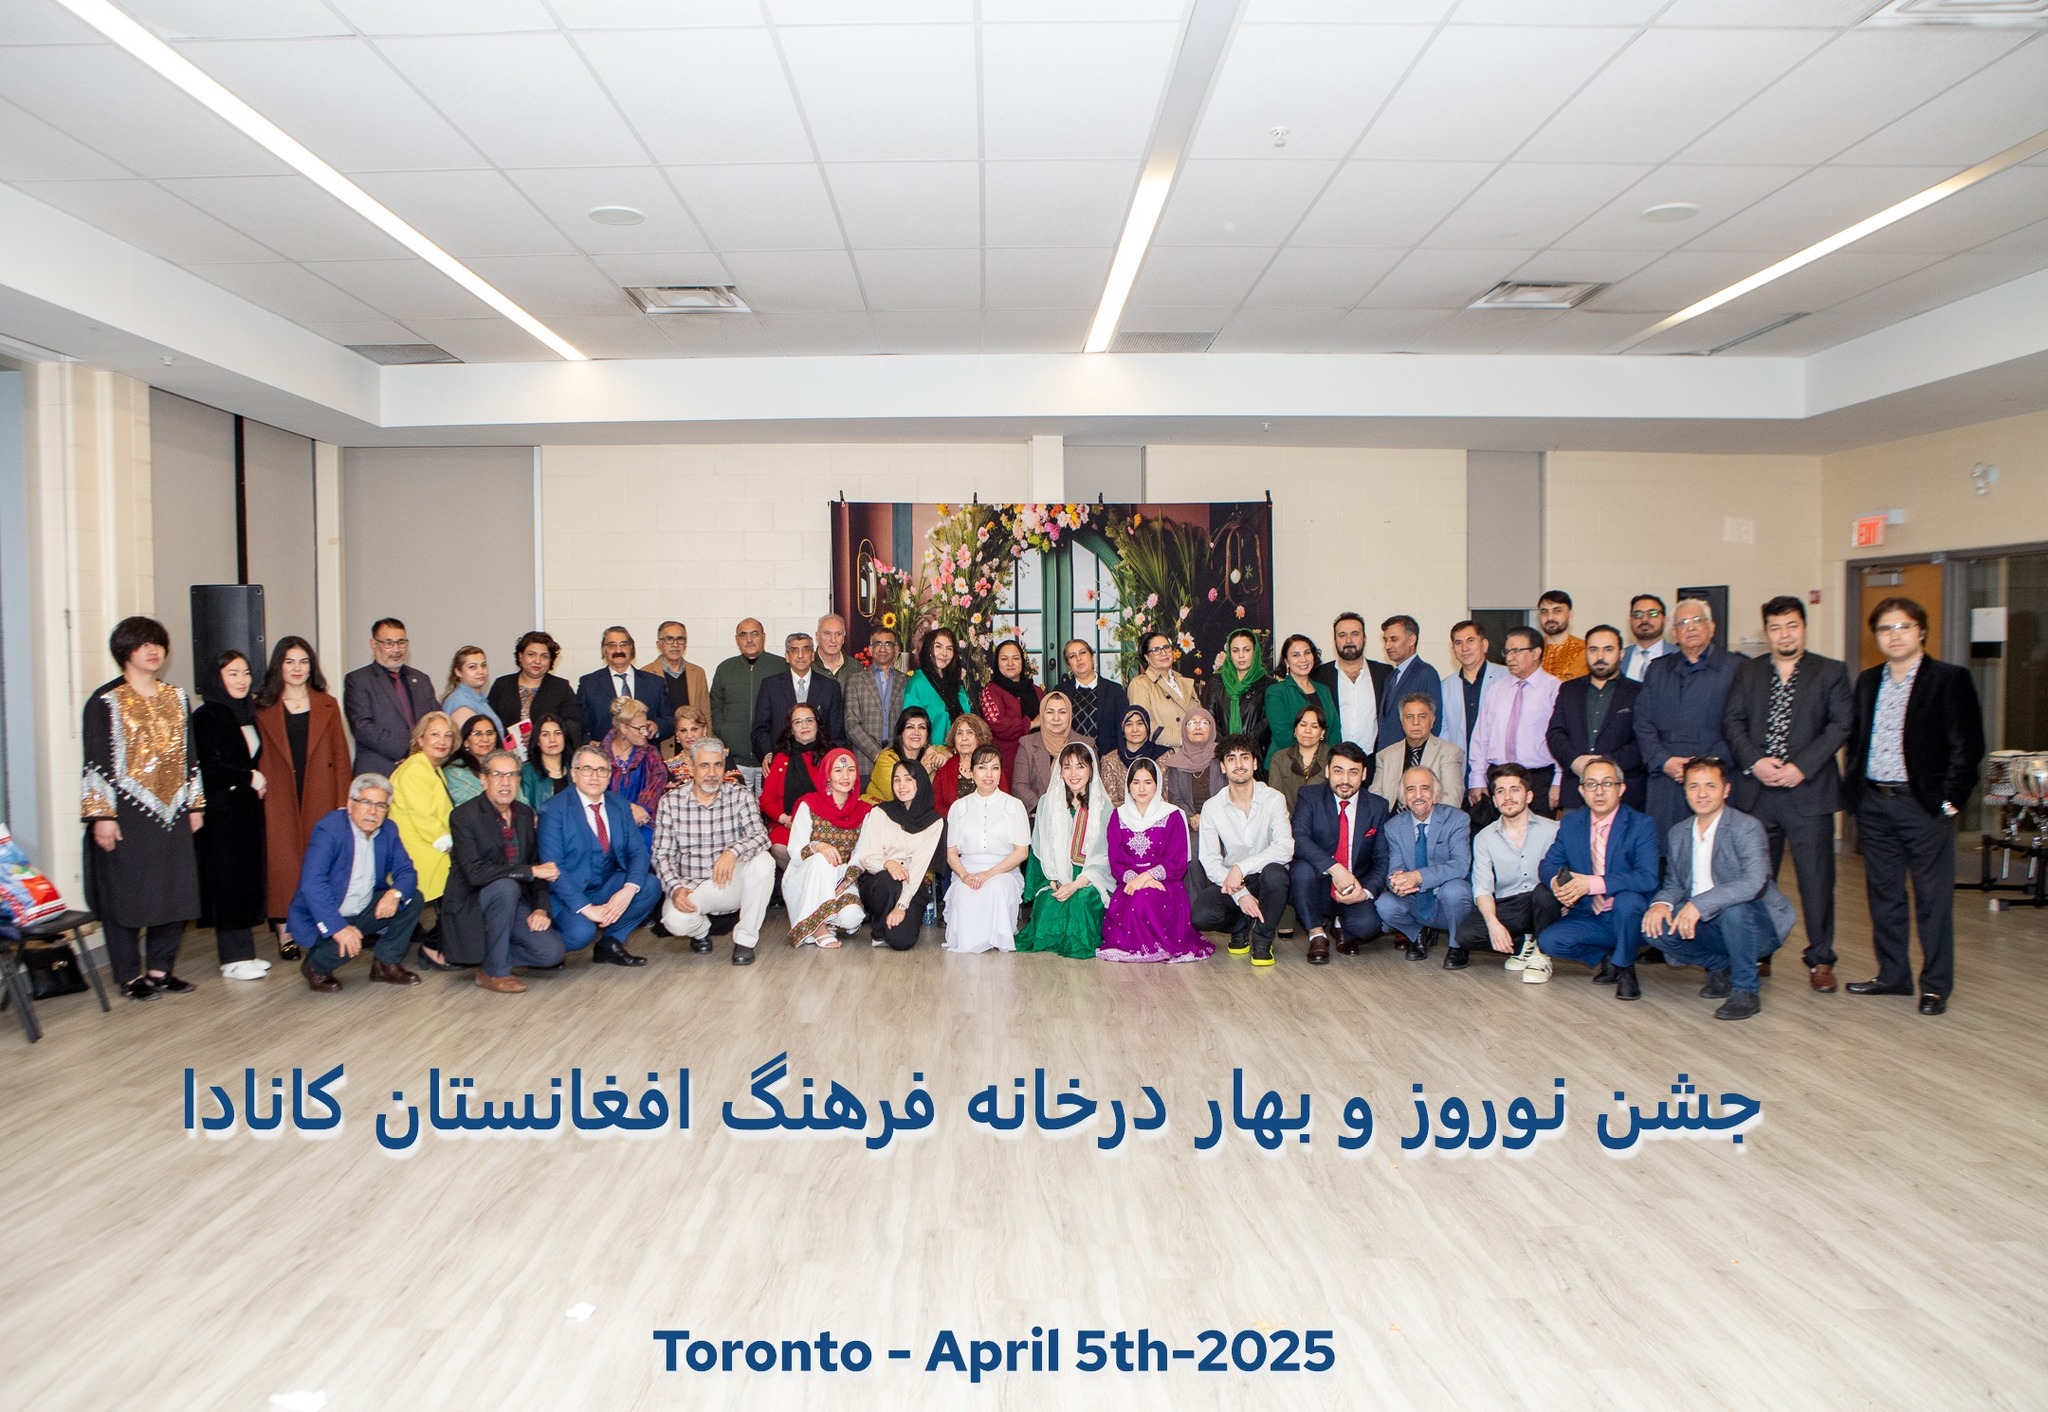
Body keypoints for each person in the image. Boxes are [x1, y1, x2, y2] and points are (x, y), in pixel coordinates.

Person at [1842, 596, 1984, 1016]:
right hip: (1874, 802)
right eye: (1885, 628)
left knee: (1932, 899)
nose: (1895, 635)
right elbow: (1858, 740)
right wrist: (1856, 794)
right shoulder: (1868, 681)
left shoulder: (1949, 679)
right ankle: (1893, 975)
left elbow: (1968, 746)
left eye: (1903, 626)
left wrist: (1952, 800)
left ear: (1921, 631)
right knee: (1884, 895)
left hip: (1923, 805)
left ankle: (1935, 986)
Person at [1722, 595, 1854, 992]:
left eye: (1792, 626)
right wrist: (1755, 762)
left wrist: (1801, 767)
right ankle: (1760, 950)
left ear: (1804, 628)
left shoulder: (1830, 671)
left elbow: (1840, 724)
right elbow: (1732, 722)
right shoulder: (1748, 671)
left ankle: (1821, 960)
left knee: (1817, 881)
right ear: (1767, 632)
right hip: (1758, 792)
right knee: (1757, 879)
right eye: (1776, 628)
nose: (1784, 635)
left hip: (1808, 792)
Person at [1642, 757, 1798, 1021]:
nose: (1701, 794)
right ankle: (1721, 966)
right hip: (1705, 923)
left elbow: (1755, 882)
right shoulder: (1679, 833)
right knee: (1652, 927)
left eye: (1710, 786)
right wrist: (1660, 904)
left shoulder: (1746, 827)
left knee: (1734, 910)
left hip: (1757, 925)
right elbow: (1675, 884)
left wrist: (1699, 904)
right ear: (1685, 790)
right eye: (1693, 786)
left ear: (1726, 790)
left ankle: (1746, 990)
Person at [254, 636, 351, 963]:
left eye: (303, 662)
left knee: (318, 860)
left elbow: (341, 755)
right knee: (282, 863)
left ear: (311, 667)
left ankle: (320, 925)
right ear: (278, 667)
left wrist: (343, 799)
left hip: (320, 791)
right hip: (277, 793)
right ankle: (285, 932)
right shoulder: (262, 706)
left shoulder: (327, 704)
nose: (297, 669)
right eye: (289, 662)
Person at [1527, 757, 1660, 995]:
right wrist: (1558, 883)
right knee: (1549, 941)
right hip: (1590, 914)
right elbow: (1549, 864)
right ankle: (1609, 955)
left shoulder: (1641, 824)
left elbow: (1647, 877)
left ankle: (1625, 968)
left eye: (1607, 783)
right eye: (1591, 784)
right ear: (1581, 790)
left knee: (1628, 901)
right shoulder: (1571, 823)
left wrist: (1592, 884)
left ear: (1621, 788)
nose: (1599, 791)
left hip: (1629, 916)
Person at [286, 773, 426, 993]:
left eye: (380, 805)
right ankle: (315, 967)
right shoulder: (330, 828)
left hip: (363, 909)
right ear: (350, 804)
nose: (373, 811)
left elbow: (406, 871)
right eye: (366, 802)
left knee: (412, 898)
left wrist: (395, 893)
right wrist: (338, 928)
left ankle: (385, 964)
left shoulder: (388, 830)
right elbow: (313, 882)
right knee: (346, 947)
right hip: (328, 914)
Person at [441, 749, 564, 993]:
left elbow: (536, 866)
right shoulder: (464, 816)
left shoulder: (525, 814)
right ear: (483, 779)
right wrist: (529, 871)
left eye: (512, 775)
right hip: (473, 902)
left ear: (519, 780)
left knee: (552, 953)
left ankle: (493, 955)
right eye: (497, 775)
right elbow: (475, 873)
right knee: (505, 887)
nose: (505, 782)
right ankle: (494, 971)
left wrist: (540, 908)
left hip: (513, 900)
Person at [652, 737, 777, 964]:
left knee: (764, 863)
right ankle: (701, 932)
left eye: (718, 765)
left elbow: (761, 835)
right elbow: (662, 854)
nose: (712, 773)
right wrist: (675, 888)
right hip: (692, 886)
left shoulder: (740, 795)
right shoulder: (670, 802)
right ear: (691, 768)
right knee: (675, 921)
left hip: (731, 883)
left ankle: (745, 941)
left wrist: (732, 852)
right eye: (704, 765)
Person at [538, 744, 659, 966]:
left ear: (609, 775)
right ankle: (541, 948)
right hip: (566, 893)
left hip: (604, 885)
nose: (595, 776)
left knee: (649, 886)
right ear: (574, 774)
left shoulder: (620, 806)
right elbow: (553, 869)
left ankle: (610, 943)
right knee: (581, 933)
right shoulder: (553, 810)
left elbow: (638, 852)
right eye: (587, 769)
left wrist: (628, 890)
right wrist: (587, 909)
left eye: (602, 770)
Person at [1634, 597, 1741, 837]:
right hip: (1666, 775)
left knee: (1714, 847)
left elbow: (1742, 725)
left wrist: (1706, 765)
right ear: (1674, 632)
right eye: (1683, 623)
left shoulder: (1736, 667)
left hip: (1714, 775)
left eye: (1697, 621)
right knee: (1666, 847)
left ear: (1711, 627)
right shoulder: (1658, 669)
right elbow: (1642, 722)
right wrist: (1664, 761)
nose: (1690, 627)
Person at [193, 650, 267, 981]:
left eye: (246, 673)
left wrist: (253, 779)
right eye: (232, 673)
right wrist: (249, 777)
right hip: (221, 814)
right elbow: (209, 767)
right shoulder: (208, 715)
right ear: (217, 678)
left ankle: (245, 951)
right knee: (228, 882)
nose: (242, 680)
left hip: (244, 811)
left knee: (245, 878)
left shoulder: (246, 712)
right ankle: (233, 957)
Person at [1192, 734, 1294, 965]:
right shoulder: (1212, 807)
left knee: (1276, 874)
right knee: (1201, 915)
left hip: (1267, 876)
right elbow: (1209, 860)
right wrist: (1241, 894)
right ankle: (1241, 924)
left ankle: (1263, 939)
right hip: (1233, 882)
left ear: (1255, 763)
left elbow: (1285, 848)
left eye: (1245, 757)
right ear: (1223, 767)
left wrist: (1240, 867)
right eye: (1231, 759)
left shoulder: (1273, 799)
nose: (1239, 764)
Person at [1101, 757, 1212, 964]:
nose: (1141, 788)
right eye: (1136, 782)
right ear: (1128, 785)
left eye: (1148, 782)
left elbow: (1177, 859)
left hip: (1166, 884)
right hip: (1129, 883)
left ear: (1158, 784)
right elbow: (1116, 859)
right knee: (1134, 900)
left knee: (1144, 899)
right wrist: (1136, 880)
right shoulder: (1118, 816)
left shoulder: (1172, 814)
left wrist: (1145, 878)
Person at [1454, 764, 1561, 973]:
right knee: (1466, 935)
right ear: (1494, 800)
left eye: (1515, 790)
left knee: (1543, 892)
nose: (1508, 797)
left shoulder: (1553, 830)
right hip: (1511, 904)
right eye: (1501, 791)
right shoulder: (1484, 837)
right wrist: (1493, 925)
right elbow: (1483, 888)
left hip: (1545, 903)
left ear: (1529, 796)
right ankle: (1526, 943)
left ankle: (1542, 954)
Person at [1289, 742, 1388, 964]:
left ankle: (1339, 924)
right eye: (1338, 771)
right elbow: (1299, 839)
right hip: (1319, 883)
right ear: (1327, 772)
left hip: (1355, 884)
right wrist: (1336, 869)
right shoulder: (1310, 796)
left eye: (1353, 772)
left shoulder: (1378, 806)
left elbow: (1382, 860)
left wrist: (1365, 892)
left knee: (1368, 927)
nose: (1345, 779)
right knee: (1301, 871)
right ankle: (1317, 934)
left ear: (1364, 774)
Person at [1017, 743, 1112, 959]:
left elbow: (1105, 856)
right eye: (1067, 767)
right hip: (1057, 876)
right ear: (1060, 771)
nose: (1073, 773)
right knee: (1048, 905)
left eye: (1080, 766)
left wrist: (1077, 884)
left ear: (1091, 769)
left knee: (1080, 903)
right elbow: (1040, 849)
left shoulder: (1103, 807)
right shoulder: (1047, 803)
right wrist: (1051, 879)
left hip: (1091, 878)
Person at [1373, 768, 1473, 962]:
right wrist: (1396, 882)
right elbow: (1394, 868)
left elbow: (1460, 865)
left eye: (1424, 788)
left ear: (1435, 793)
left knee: (1455, 890)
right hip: (1415, 898)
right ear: (1404, 797)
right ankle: (1418, 934)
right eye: (1411, 789)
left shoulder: (1457, 819)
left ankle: (1457, 945)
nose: (1418, 795)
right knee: (1385, 904)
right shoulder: (1393, 826)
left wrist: (1418, 877)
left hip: (1447, 898)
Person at [1466, 626, 1562, 820]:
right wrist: (1477, 778)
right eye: (1507, 651)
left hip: (1538, 779)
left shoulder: (1554, 688)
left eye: (1516, 651)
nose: (1510, 658)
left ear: (1536, 652)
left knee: (1538, 834)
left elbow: (1561, 738)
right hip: (1498, 777)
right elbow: (1481, 737)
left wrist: (1559, 780)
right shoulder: (1497, 689)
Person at [1546, 625, 1646, 811]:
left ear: (1621, 654)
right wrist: (1574, 760)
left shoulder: (1638, 692)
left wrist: (1604, 765)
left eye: (1608, 649)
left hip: (1623, 795)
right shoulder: (1568, 689)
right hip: (1576, 792)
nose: (1600, 656)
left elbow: (1643, 741)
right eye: (1593, 649)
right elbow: (1554, 734)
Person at [781, 747, 872, 948]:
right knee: (823, 859)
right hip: (805, 877)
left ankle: (830, 919)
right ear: (827, 775)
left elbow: (861, 854)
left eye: (850, 770)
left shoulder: (863, 811)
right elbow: (794, 852)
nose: (845, 776)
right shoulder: (809, 804)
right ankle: (818, 926)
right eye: (838, 770)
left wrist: (846, 882)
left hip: (839, 878)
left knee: (852, 919)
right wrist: (818, 846)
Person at [943, 745, 1031, 953]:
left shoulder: (1014, 805)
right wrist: (965, 876)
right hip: (966, 871)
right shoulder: (959, 807)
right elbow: (951, 853)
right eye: (982, 768)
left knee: (996, 889)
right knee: (963, 894)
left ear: (1001, 773)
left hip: (1003, 871)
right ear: (972, 772)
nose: (989, 774)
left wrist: (988, 874)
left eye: (995, 768)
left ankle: (997, 939)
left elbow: (1021, 852)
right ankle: (969, 942)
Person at [852, 759, 946, 951]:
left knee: (902, 941)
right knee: (889, 880)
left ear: (920, 782)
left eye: (908, 779)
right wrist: (888, 863)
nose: (902, 785)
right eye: (897, 780)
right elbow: (866, 856)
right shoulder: (880, 812)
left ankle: (892, 926)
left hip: (912, 885)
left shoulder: (935, 822)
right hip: (879, 882)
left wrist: (901, 906)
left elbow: (919, 868)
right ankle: (879, 930)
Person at [389, 711, 456, 970]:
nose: (442, 741)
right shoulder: (415, 769)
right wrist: (451, 847)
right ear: (420, 739)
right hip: (420, 850)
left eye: (448, 736)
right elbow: (424, 818)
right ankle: (432, 947)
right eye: (435, 734)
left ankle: (442, 943)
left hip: (429, 845)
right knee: (461, 890)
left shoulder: (431, 768)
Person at [343, 617, 439, 776]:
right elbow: (362, 726)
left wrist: (423, 753)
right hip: (380, 771)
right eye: (389, 643)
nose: (396, 649)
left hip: (422, 770)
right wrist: (409, 751)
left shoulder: (421, 679)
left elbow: (437, 720)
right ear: (373, 644)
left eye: (401, 642)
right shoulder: (359, 680)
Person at [710, 618, 785, 791]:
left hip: (771, 759)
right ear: (737, 639)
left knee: (768, 805)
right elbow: (715, 705)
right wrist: (723, 732)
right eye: (743, 635)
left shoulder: (780, 666)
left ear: (763, 637)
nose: (749, 639)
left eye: (754, 634)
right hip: (735, 760)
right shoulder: (725, 668)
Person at [751, 631, 847, 763]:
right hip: (780, 762)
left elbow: (836, 734)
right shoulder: (770, 686)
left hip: (819, 763)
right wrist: (768, 754)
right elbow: (760, 729)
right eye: (794, 650)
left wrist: (834, 761)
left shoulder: (830, 687)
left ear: (812, 656)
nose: (800, 655)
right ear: (787, 656)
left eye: (806, 650)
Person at [488, 630, 583, 757]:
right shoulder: (502, 685)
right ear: (520, 656)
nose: (537, 661)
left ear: (551, 660)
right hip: (506, 758)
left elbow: (574, 725)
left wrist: (541, 734)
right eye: (531, 654)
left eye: (544, 656)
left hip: (546, 759)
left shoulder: (561, 687)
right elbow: (489, 723)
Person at [1312, 612, 1393, 758]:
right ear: (1335, 640)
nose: (1348, 640)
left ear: (1365, 638)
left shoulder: (1384, 673)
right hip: (1332, 759)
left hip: (1374, 759)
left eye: (1355, 634)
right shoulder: (1319, 676)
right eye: (1342, 635)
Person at [759, 701, 829, 863]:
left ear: (817, 725)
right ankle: (797, 879)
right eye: (798, 722)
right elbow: (766, 800)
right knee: (779, 847)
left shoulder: (831, 757)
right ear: (791, 729)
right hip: (787, 822)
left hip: (823, 823)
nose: (804, 726)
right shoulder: (779, 758)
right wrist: (785, 819)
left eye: (809, 720)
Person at [578, 625, 671, 746]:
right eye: (612, 645)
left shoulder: (655, 683)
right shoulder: (588, 684)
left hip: (646, 755)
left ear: (631, 649)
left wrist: (657, 726)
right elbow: (579, 724)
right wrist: (589, 743)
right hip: (603, 754)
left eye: (623, 644)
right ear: (604, 650)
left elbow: (670, 719)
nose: (618, 650)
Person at [1370, 694, 1464, 810]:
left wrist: (1422, 818)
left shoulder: (1449, 753)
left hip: (1432, 818)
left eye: (1422, 716)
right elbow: (1375, 798)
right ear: (1402, 721)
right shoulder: (1385, 756)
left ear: (1432, 720)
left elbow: (1452, 799)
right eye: (1409, 717)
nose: (1415, 722)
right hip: (1392, 818)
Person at [843, 625, 911, 778]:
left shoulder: (907, 682)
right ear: (870, 649)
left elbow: (908, 722)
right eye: (877, 644)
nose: (882, 648)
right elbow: (851, 724)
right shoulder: (855, 681)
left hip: (897, 759)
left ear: (896, 650)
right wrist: (877, 753)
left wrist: (891, 753)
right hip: (864, 761)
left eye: (888, 644)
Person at [1263, 633, 1337, 771]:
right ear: (1286, 661)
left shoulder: (1324, 690)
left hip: (1323, 766)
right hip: (1286, 768)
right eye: (1296, 655)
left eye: (1307, 653)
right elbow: (1283, 735)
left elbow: (1334, 730)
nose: (1303, 659)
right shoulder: (1276, 691)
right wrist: (1311, 759)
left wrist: (1332, 759)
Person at [600, 696, 666, 845]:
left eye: (646, 726)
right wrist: (627, 810)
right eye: (639, 728)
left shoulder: (651, 755)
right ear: (623, 728)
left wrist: (640, 810)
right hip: (609, 824)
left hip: (643, 823)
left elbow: (655, 789)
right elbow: (597, 794)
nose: (645, 733)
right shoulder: (600, 756)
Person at [1439, 619, 1508, 758]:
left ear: (1484, 645)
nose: (1464, 648)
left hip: (1498, 764)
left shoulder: (1506, 678)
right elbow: (1443, 731)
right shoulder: (1445, 686)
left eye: (1470, 641)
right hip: (1460, 764)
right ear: (1453, 650)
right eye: (1458, 643)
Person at [1205, 628, 1271, 766]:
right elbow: (1209, 720)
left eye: (1246, 650)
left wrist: (1245, 746)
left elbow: (1268, 721)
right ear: (1229, 654)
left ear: (1255, 652)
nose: (1241, 656)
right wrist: (1227, 747)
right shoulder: (1216, 682)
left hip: (1256, 758)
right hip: (1221, 756)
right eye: (1235, 651)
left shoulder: (1269, 684)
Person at [979, 639, 1041, 787]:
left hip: (1036, 760)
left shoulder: (1036, 691)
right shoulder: (990, 691)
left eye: (1015, 658)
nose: (1010, 663)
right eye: (1004, 659)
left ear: (1022, 661)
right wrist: (1031, 724)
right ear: (997, 662)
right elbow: (998, 725)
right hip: (1006, 762)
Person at [1375, 615, 1443, 751]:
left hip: (1411, 756)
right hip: (1387, 755)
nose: (1387, 646)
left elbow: (1433, 723)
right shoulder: (1391, 676)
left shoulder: (1426, 673)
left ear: (1411, 640)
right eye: (1385, 640)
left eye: (1394, 639)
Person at [1055, 638, 1128, 760]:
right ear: (1068, 665)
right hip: (1072, 760)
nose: (1079, 658)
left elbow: (1123, 728)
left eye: (1083, 652)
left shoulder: (1115, 690)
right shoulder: (1061, 691)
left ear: (1092, 657)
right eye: (1072, 656)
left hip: (1107, 759)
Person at [1127, 631, 1199, 749]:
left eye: (1166, 647)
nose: (1163, 653)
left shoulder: (1185, 682)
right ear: (1147, 657)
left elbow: (1201, 718)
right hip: (1166, 754)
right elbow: (1144, 725)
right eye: (1156, 650)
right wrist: (1185, 738)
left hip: (1196, 752)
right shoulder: (1140, 684)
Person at [903, 627, 976, 744]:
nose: (944, 653)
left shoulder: (955, 684)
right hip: (930, 752)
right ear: (928, 649)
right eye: (938, 647)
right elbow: (910, 728)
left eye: (949, 648)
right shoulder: (917, 684)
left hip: (959, 750)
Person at [864, 706, 951, 804]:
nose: (916, 732)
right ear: (900, 733)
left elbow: (956, 749)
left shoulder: (933, 751)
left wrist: (945, 754)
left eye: (922, 727)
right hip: (879, 809)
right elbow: (900, 795)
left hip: (917, 811)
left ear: (927, 736)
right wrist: (923, 770)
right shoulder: (886, 759)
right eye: (910, 727)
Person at [1012, 689, 1078, 815]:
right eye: (1050, 712)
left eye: (1062, 712)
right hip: (1038, 816)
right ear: (1042, 715)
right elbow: (1019, 786)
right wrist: (1044, 809)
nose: (1056, 718)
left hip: (1077, 816)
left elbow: (1093, 785)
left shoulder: (1085, 744)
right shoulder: (1027, 744)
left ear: (1070, 715)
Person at [1268, 701, 1332, 819]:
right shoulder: (1279, 758)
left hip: (1323, 823)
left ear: (1322, 732)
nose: (1307, 730)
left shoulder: (1332, 758)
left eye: (1314, 726)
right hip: (1287, 822)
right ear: (1295, 729)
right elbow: (1275, 799)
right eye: (1303, 725)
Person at [1161, 706, 1225, 819]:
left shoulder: (1222, 756)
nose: (1198, 727)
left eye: (1203, 723)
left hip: (1222, 820)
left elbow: (1231, 793)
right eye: (1191, 723)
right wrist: (1192, 818)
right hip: (1190, 822)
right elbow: (1175, 800)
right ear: (1184, 730)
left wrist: (1209, 818)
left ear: (1212, 728)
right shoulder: (1176, 762)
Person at [1103, 704, 1166, 811]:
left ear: (1147, 726)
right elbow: (1111, 802)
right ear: (1122, 729)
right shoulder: (1110, 760)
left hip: (1158, 815)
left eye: (1140, 723)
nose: (1135, 729)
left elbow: (1166, 797)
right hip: (1123, 817)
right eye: (1129, 724)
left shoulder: (1163, 756)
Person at [644, 620, 708, 722]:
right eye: (669, 639)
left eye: (680, 639)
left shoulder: (698, 673)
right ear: (659, 644)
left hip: (691, 732)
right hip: (661, 732)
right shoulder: (645, 674)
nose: (675, 644)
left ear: (685, 644)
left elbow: (705, 714)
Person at [937, 713, 995, 813]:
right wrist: (956, 817)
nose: (964, 738)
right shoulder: (945, 767)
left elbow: (1002, 799)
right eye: (959, 733)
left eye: (970, 733)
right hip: (952, 820)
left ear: (980, 738)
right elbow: (936, 803)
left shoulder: (992, 764)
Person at [441, 645, 502, 736]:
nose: (481, 671)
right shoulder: (460, 702)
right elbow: (474, 742)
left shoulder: (479, 699)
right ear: (458, 672)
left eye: (483, 665)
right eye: (472, 667)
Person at [519, 713, 576, 811]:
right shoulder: (527, 773)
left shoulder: (575, 770)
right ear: (537, 741)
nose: (552, 739)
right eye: (545, 734)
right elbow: (523, 811)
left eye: (557, 733)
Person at [443, 713, 501, 808]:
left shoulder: (505, 766)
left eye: (489, 733)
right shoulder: (454, 773)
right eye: (477, 734)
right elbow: (468, 808)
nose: (485, 739)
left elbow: (521, 802)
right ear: (466, 742)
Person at [1621, 594, 1675, 682]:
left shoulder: (1679, 655)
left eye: (1652, 613)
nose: (1644, 619)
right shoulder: (1620, 658)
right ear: (1630, 621)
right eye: (1638, 614)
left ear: (1665, 620)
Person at [1537, 590, 1587, 681]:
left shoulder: (1583, 650)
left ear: (1570, 615)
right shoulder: (1533, 651)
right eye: (1544, 612)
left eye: (1557, 611)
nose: (1550, 617)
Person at [815, 613, 855, 684]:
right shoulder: (808, 666)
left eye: (838, 634)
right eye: (827, 634)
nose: (833, 640)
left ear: (843, 637)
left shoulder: (855, 667)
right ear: (817, 636)